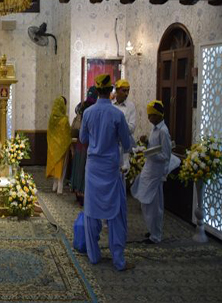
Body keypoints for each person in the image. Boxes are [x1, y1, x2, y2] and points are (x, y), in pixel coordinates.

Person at [80, 74, 133, 271]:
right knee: (115, 213)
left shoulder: (88, 113)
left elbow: (84, 139)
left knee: (92, 211)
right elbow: (126, 144)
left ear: (96, 90)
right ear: (111, 91)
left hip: (93, 167)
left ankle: (94, 256)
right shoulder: (117, 115)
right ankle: (118, 260)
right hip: (111, 168)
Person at [131, 100, 171, 244]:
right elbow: (154, 148)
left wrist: (149, 153)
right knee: (146, 204)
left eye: (151, 116)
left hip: (156, 173)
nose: (149, 119)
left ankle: (156, 236)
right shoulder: (155, 129)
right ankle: (152, 230)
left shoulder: (163, 131)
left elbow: (165, 155)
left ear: (158, 115)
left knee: (155, 206)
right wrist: (147, 143)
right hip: (149, 171)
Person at [70, 86, 98, 205]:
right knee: (85, 169)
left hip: (81, 143)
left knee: (79, 168)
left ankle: (78, 193)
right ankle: (84, 194)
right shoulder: (95, 109)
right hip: (90, 143)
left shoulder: (82, 107)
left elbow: (76, 128)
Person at [46, 96, 71, 194]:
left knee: (55, 165)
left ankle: (54, 186)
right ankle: (59, 188)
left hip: (52, 146)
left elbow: (49, 132)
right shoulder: (64, 120)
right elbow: (67, 134)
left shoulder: (52, 118)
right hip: (62, 147)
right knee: (62, 166)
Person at [113, 79, 137, 175]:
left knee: (122, 174)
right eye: (124, 90)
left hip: (124, 146)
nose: (126, 94)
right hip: (112, 146)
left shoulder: (130, 106)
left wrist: (119, 126)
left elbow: (132, 128)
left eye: (128, 91)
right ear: (117, 90)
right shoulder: (111, 105)